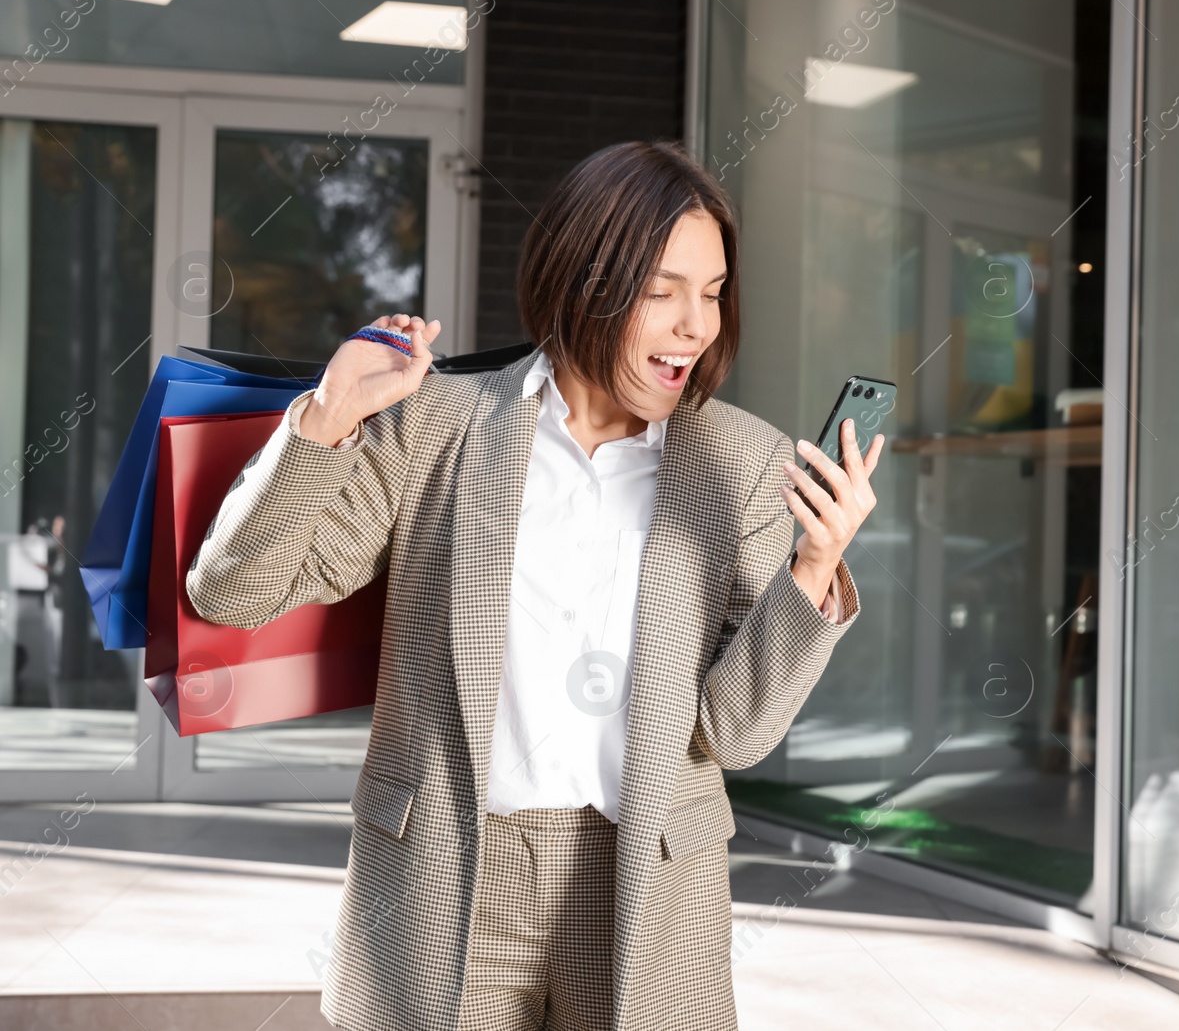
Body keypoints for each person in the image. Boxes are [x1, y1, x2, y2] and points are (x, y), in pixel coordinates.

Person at [186, 140, 883, 1031]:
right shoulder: (436, 421)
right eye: (664, 290)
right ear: (585, 280)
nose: (696, 325)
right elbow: (232, 594)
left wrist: (812, 570)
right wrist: (326, 419)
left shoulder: (742, 464)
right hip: (443, 874)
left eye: (711, 293)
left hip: (645, 886)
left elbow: (732, 734)